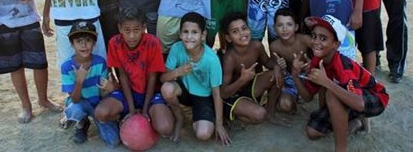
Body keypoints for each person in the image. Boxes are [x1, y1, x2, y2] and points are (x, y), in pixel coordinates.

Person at [291, 15, 389, 152]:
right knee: (312, 131)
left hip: (374, 98)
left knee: (332, 93)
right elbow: (307, 97)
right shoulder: (316, 62)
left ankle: (341, 149)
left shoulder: (343, 65)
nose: (315, 42)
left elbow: (359, 103)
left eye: (323, 38)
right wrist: (295, 74)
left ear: (336, 45)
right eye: (314, 36)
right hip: (349, 97)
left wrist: (326, 82)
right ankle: (354, 121)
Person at [94, 7, 174, 137]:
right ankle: (122, 116)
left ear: (144, 28)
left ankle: (156, 112)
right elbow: (122, 76)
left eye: (136, 30)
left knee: (165, 128)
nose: (132, 36)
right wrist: (131, 110)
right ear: (120, 28)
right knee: (100, 113)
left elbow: (152, 78)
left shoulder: (153, 43)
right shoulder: (114, 43)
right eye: (127, 30)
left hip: (151, 93)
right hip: (127, 93)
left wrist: (145, 110)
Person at [160, 12, 231, 145]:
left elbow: (216, 94)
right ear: (180, 34)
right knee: (167, 88)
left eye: (194, 32)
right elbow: (163, 78)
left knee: (203, 134)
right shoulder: (176, 48)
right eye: (185, 32)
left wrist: (219, 124)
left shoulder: (211, 59)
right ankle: (179, 117)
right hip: (184, 92)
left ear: (203, 35)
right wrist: (178, 71)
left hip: (203, 97)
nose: (189, 37)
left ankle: (202, 117)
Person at [60, 20, 120, 147]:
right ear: (72, 44)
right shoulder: (67, 66)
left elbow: (103, 94)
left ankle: (99, 119)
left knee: (113, 141)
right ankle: (82, 123)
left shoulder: (100, 62)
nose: (84, 45)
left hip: (97, 103)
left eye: (88, 40)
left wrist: (109, 89)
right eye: (78, 41)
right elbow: (75, 99)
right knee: (74, 109)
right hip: (79, 102)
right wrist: (79, 82)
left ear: (94, 43)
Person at [219, 12, 284, 124]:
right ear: (228, 38)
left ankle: (270, 113)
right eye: (235, 31)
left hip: (249, 86)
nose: (242, 33)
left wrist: (277, 66)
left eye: (244, 28)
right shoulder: (229, 58)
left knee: (276, 74)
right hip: (232, 94)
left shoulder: (256, 46)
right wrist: (242, 80)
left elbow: (268, 62)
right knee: (259, 115)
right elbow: (223, 93)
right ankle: (233, 113)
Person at [269, 8, 311, 115]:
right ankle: (294, 101)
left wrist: (311, 63)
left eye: (289, 24)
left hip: (309, 77)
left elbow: (320, 54)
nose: (284, 29)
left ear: (296, 27)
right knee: (284, 105)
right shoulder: (274, 46)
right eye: (280, 25)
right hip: (291, 79)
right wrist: (280, 66)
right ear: (274, 28)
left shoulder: (305, 40)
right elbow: (276, 67)